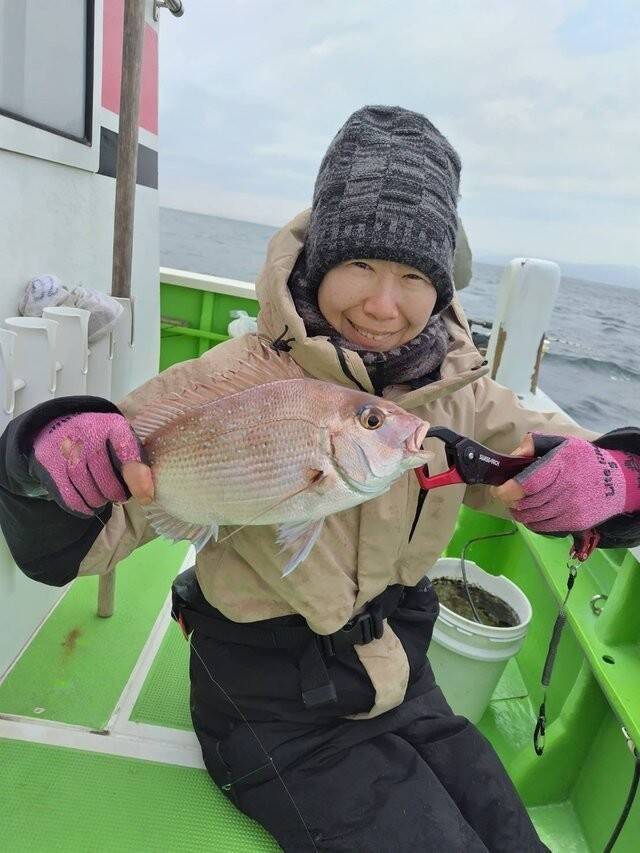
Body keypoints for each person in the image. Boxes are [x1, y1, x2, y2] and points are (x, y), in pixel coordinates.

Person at [2, 106, 639, 852]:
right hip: (266, 705)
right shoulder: (226, 383)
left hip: (402, 675)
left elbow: (558, 450)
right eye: (361, 264)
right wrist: (39, 458)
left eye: (412, 276)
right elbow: (67, 542)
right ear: (321, 259)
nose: (382, 303)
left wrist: (619, 477)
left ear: (442, 286)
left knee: (514, 837)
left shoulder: (458, 392)